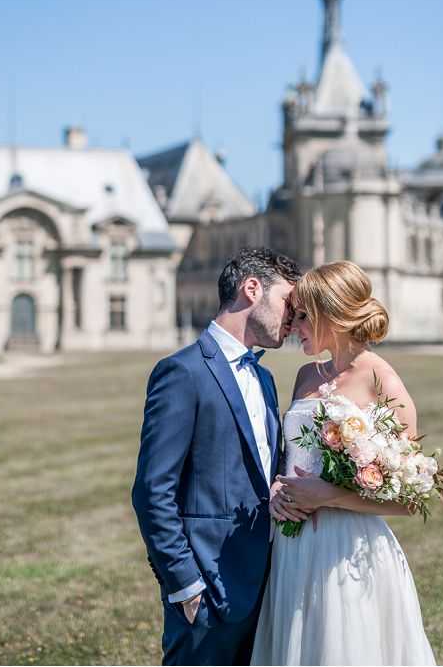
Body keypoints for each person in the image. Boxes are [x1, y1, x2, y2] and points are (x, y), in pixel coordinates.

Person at [251, 260, 436, 666]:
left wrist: (328, 496)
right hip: (293, 548)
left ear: (329, 315)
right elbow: (292, 457)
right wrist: (279, 491)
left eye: (302, 317)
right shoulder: (304, 376)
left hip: (349, 551)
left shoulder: (382, 380)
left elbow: (410, 498)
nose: (293, 325)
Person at [132, 247, 302, 666]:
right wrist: (185, 585)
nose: (294, 319)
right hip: (207, 588)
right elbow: (153, 491)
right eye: (287, 302)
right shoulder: (183, 372)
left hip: (266, 584)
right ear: (251, 289)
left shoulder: (264, 378)